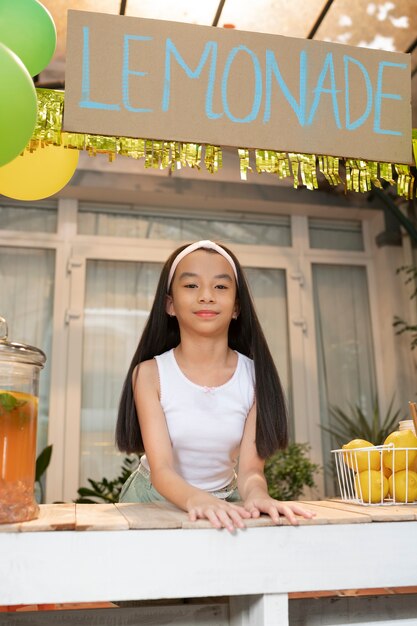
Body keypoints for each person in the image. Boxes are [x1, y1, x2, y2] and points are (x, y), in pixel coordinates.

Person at [116, 240, 315, 531]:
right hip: (151, 498)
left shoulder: (256, 377)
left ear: (236, 307)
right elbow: (161, 470)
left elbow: (250, 471)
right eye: (191, 286)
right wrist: (197, 500)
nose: (206, 296)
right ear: (170, 304)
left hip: (223, 501)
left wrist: (259, 496)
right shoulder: (148, 374)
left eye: (221, 287)